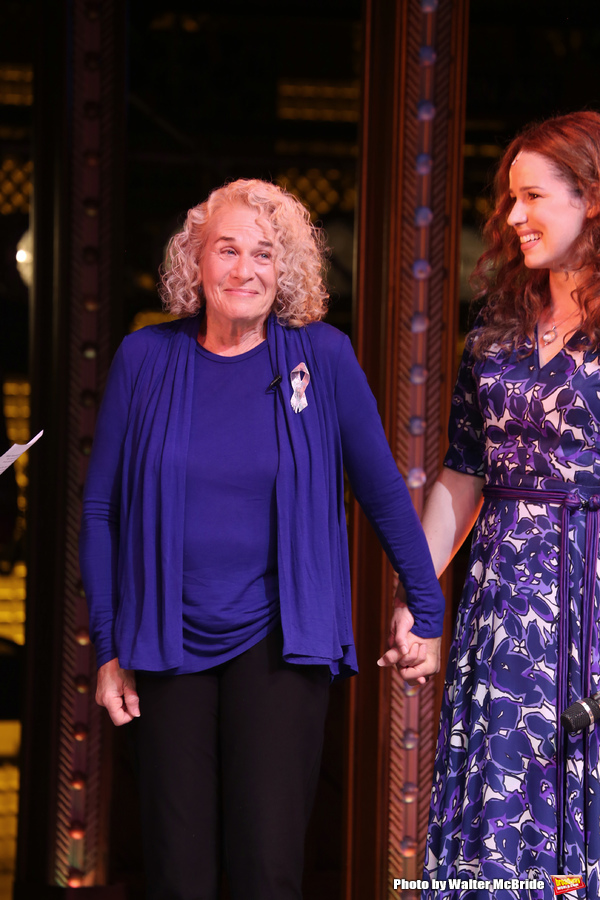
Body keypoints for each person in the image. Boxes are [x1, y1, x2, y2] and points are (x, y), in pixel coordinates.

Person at [79, 178, 444, 900]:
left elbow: (380, 491)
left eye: (266, 255)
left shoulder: (324, 358)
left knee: (268, 871)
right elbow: (100, 512)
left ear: (289, 272)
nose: (246, 270)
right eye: (228, 250)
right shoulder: (143, 359)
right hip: (164, 642)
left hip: (280, 643)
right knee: (177, 876)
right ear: (196, 261)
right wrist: (109, 647)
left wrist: (426, 611)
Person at [414, 112, 600, 899]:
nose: (514, 217)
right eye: (509, 200)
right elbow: (463, 470)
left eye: (533, 197)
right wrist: (420, 599)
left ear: (590, 198)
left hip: (588, 592)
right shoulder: (496, 332)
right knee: (497, 797)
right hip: (502, 603)